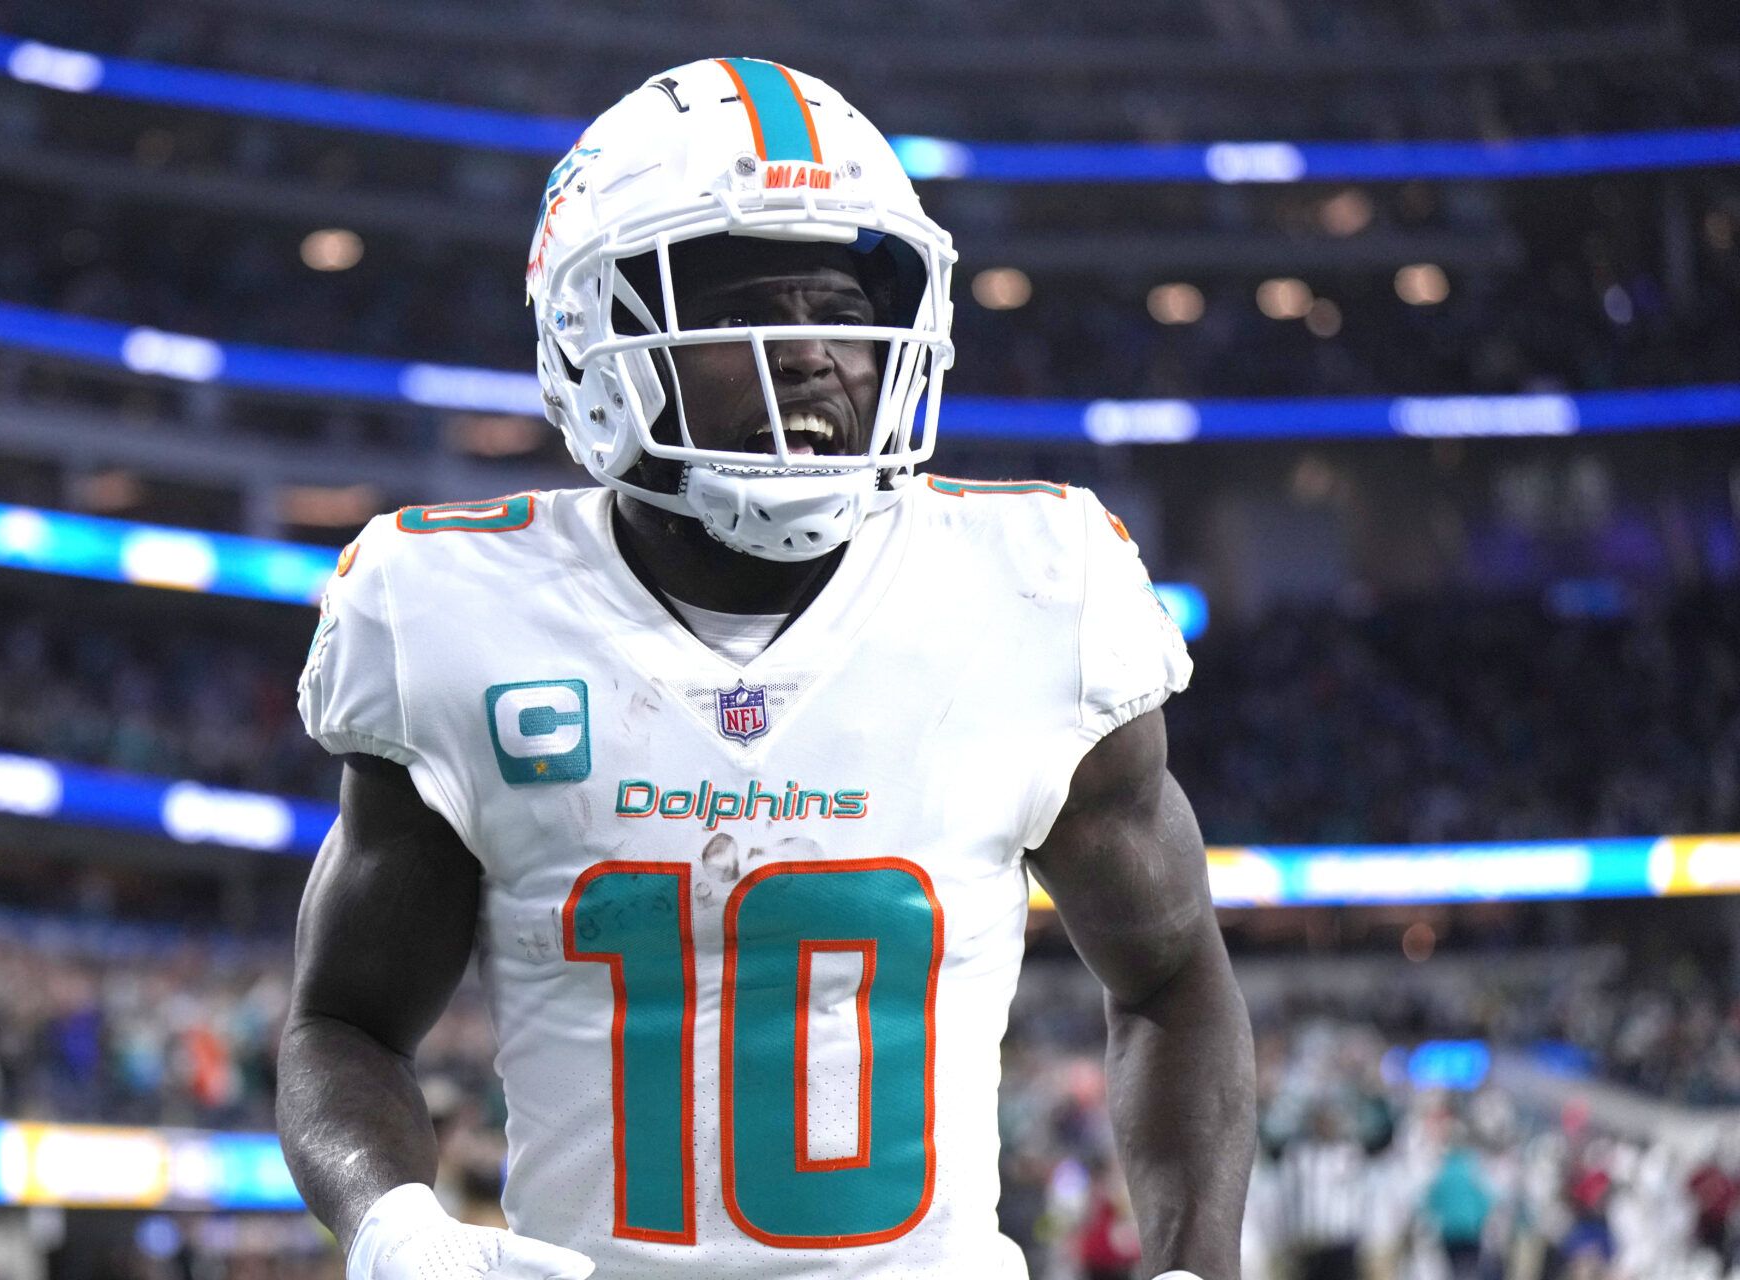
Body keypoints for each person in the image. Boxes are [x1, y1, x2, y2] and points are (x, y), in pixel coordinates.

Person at [277, 56, 1256, 1280]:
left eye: (844, 307)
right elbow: (343, 1023)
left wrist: (1195, 1265)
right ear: (597, 338)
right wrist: (393, 1227)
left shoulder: (1038, 588)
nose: (816, 356)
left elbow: (1173, 975)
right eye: (746, 303)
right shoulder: (455, 615)